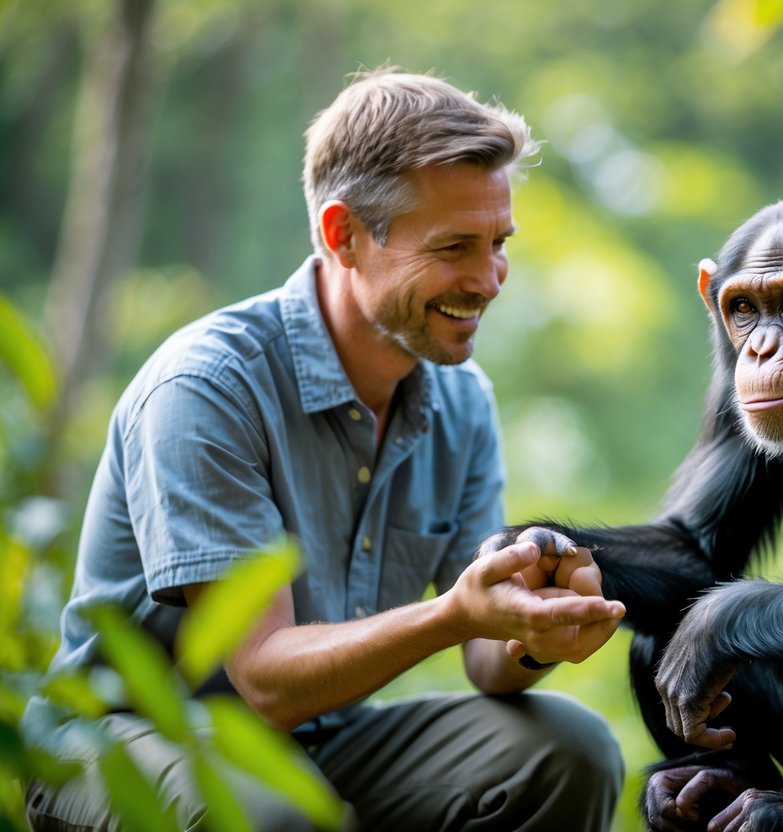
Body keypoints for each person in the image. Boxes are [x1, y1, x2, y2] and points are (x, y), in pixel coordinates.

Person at [24, 69, 627, 831]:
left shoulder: (461, 399)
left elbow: (484, 657)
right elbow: (267, 679)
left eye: (498, 243)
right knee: (276, 813)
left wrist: (532, 628)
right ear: (345, 236)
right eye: (454, 248)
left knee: (572, 748)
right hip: (122, 741)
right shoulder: (206, 386)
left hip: (316, 737)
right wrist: (451, 614)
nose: (488, 279)